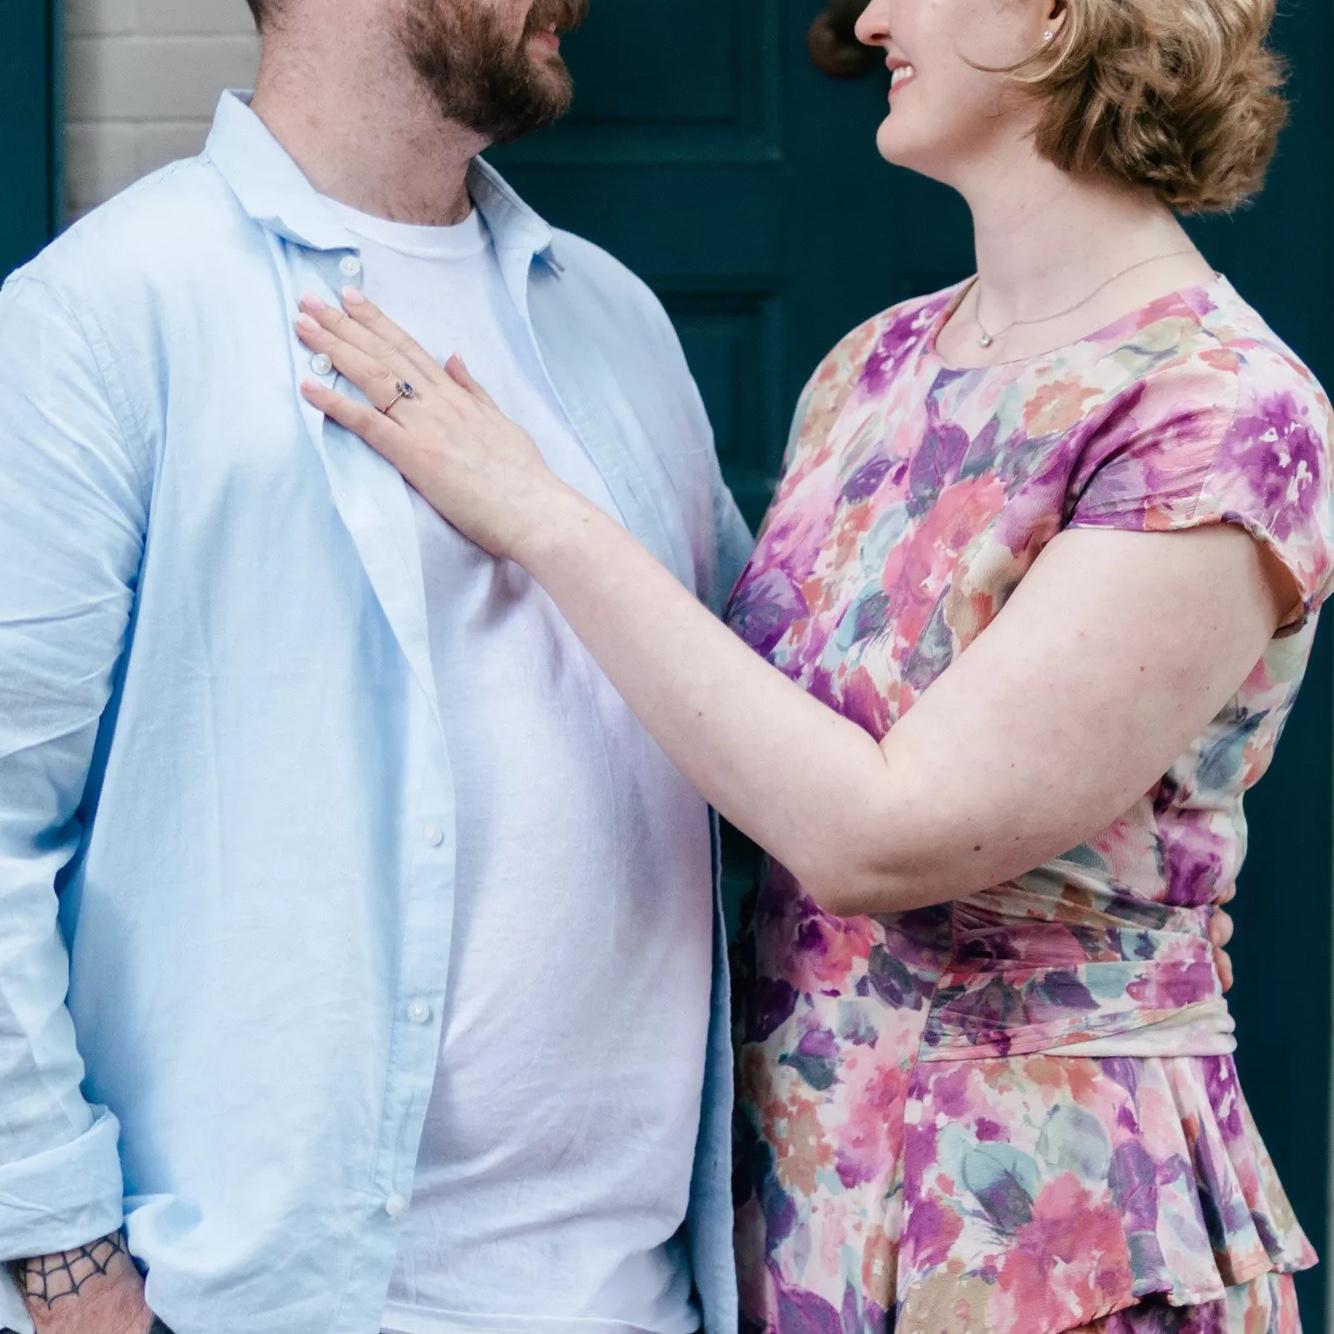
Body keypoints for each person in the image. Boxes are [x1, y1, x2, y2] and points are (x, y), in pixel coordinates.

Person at [292, 0, 1328, 1329]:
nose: (869, 17)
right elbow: (735, 745)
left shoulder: (1218, 411)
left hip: (1040, 1216)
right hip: (799, 1186)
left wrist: (537, 513)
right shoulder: (874, 367)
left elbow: (877, 837)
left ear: (1063, 13)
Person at [0, 0, 755, 1331]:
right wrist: (65, 1259)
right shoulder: (105, 314)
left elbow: (753, 723)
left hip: (637, 1296)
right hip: (275, 1301)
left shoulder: (613, 315)